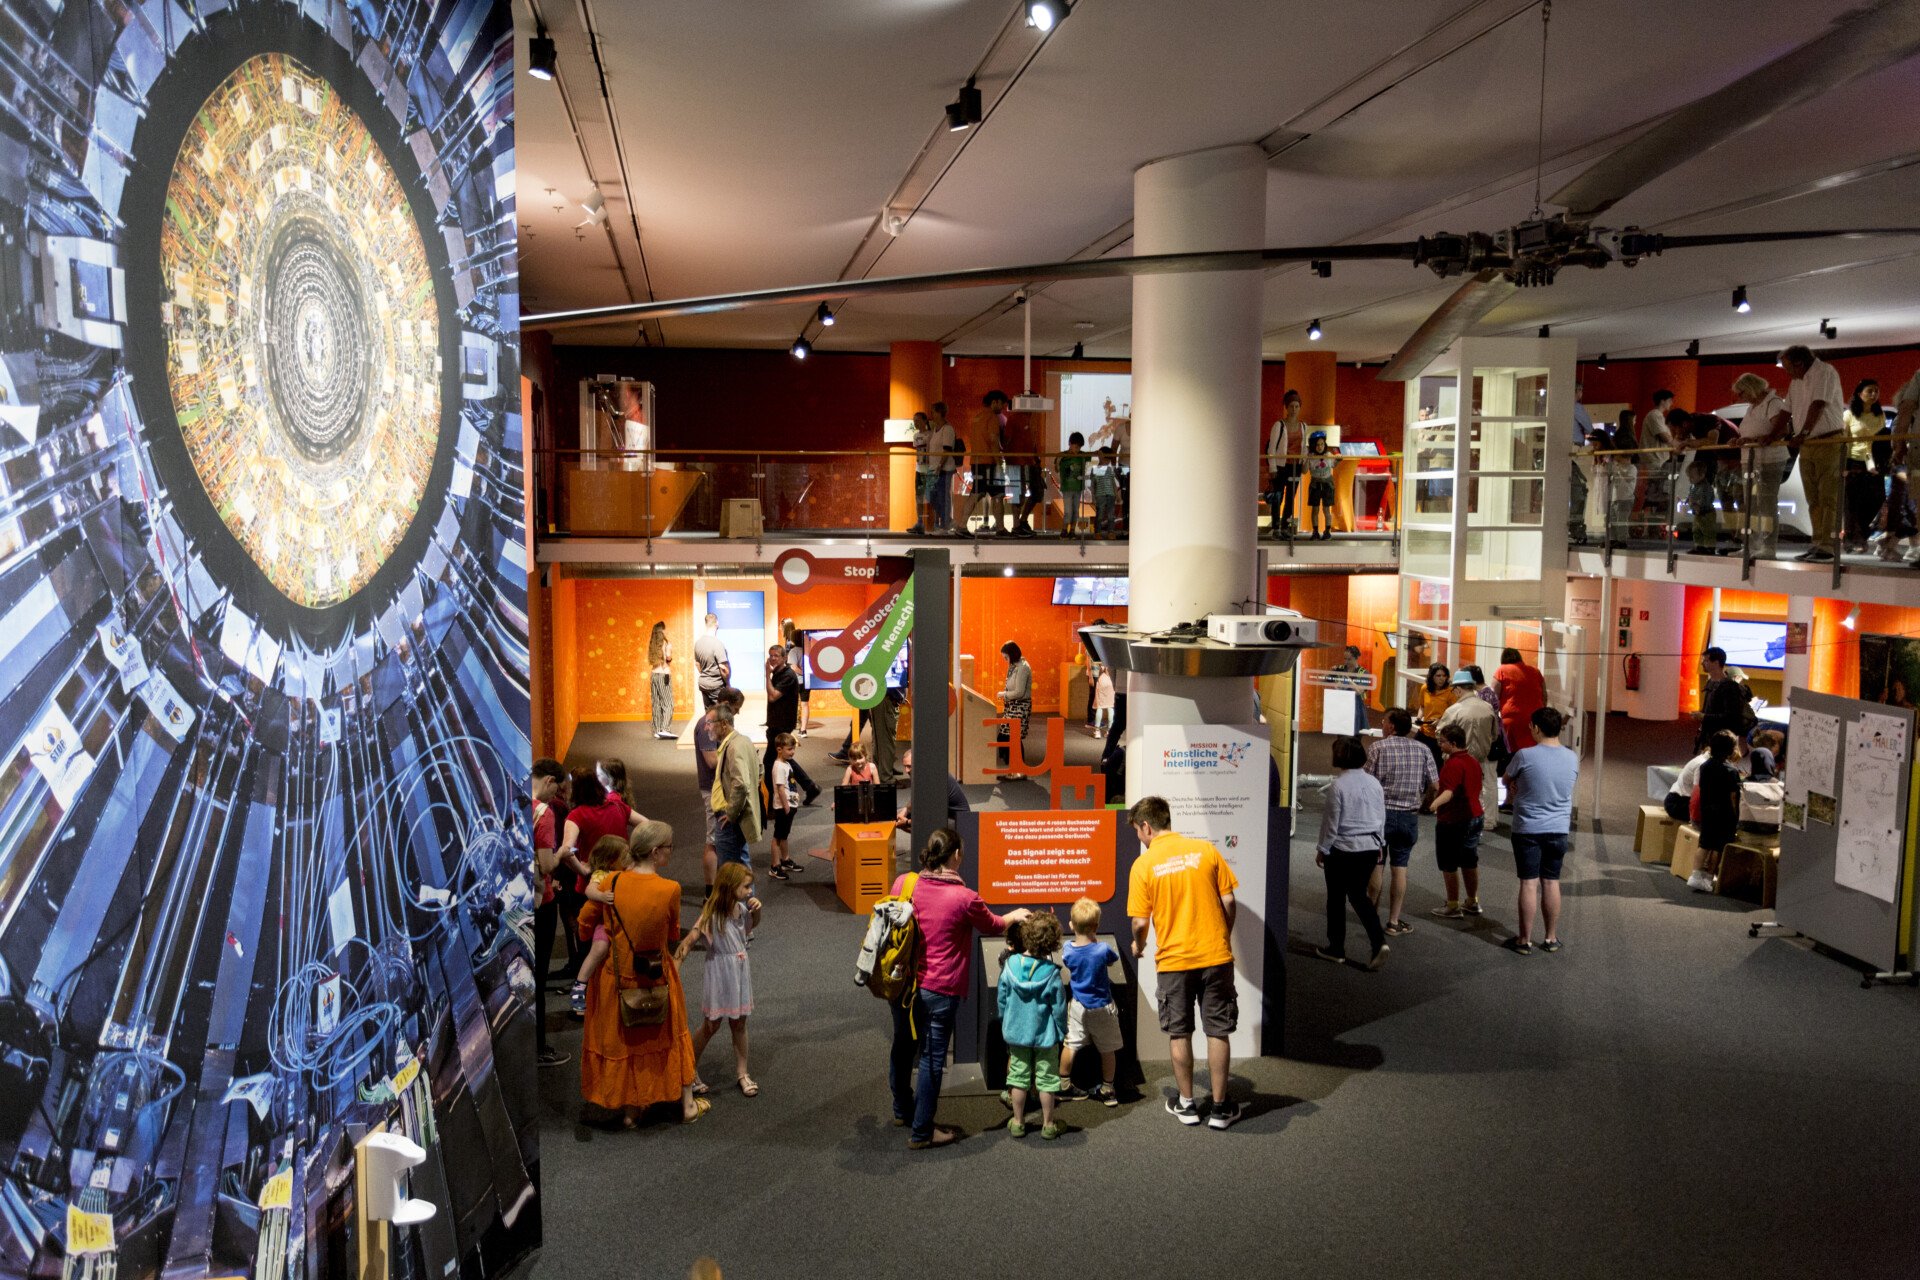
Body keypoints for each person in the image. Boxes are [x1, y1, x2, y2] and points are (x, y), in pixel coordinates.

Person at [890, 828, 1028, 1149]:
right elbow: (992, 924)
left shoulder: (904, 883)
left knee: (902, 1046)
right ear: (956, 856)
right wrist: (1013, 916)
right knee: (931, 1060)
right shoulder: (964, 898)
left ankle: (902, 1110)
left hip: (902, 983)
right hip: (940, 990)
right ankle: (922, 1132)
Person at [1125, 795, 1243, 1130]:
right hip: (1215, 955)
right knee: (1218, 1030)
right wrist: (1225, 932)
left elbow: (1138, 922)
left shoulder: (1144, 866)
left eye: (1137, 830)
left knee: (1180, 1033)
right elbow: (1229, 900)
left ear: (1147, 826)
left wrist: (1139, 944)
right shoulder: (1206, 851)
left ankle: (1188, 1104)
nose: (1139, 837)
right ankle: (1220, 1109)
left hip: (1174, 961)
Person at [576, 821, 705, 1126]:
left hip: (615, 976)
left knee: (624, 1040)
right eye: (669, 847)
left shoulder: (612, 882)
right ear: (656, 851)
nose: (671, 852)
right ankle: (673, 1102)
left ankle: (631, 1111)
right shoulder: (670, 889)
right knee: (663, 1035)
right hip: (656, 975)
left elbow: (585, 921)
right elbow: (671, 932)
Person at [676, 860, 761, 1096]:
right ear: (729, 886)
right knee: (711, 1025)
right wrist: (675, 968)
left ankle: (742, 1073)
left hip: (740, 972)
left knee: (740, 1023)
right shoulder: (712, 915)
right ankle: (688, 1070)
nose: (749, 891)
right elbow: (690, 940)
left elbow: (749, 928)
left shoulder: (741, 909)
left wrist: (758, 911)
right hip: (720, 974)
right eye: (745, 887)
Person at [1502, 706, 1578, 955]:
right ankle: (1551, 938)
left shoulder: (1525, 755)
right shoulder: (1572, 757)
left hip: (1528, 828)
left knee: (1529, 883)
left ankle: (1524, 940)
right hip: (1558, 830)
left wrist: (1516, 786)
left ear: (1536, 727)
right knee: (1551, 881)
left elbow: (1506, 779)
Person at [1314, 735, 1389, 970]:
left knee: (1335, 898)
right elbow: (1380, 817)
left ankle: (1336, 948)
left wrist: (1323, 849)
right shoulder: (1374, 783)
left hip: (1342, 849)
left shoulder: (1338, 785)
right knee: (1359, 896)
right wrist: (1380, 845)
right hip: (1369, 847)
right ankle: (1378, 942)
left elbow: (1331, 823)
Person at [1364, 708, 1436, 938]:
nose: (1383, 724)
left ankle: (1370, 917)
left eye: (1384, 721)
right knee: (1400, 868)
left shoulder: (1377, 748)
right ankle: (1394, 922)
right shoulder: (1423, 749)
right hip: (1408, 817)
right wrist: (1424, 804)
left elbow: (1366, 781)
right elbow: (1435, 784)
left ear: (1392, 726)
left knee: (1377, 863)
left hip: (1380, 816)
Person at [997, 910, 1069, 1139]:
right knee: (1047, 1079)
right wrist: (1061, 1029)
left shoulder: (1010, 967)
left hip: (1016, 1032)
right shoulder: (1051, 974)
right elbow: (1059, 1008)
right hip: (1045, 1036)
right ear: (1053, 942)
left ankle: (1018, 1122)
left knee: (1018, 1076)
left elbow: (1002, 998)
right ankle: (1048, 1125)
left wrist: (1005, 1019)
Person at [1781, 345, 1846, 562]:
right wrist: (1773, 435)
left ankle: (1829, 545)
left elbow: (1818, 404)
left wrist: (1804, 432)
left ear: (1799, 363)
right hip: (1807, 444)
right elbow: (1786, 411)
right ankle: (1818, 542)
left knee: (1828, 495)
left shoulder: (1824, 372)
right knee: (1813, 498)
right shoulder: (1795, 382)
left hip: (1828, 440)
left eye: (1788, 367)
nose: (1787, 372)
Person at [1057, 898, 1121, 1106]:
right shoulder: (1102, 949)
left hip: (1078, 1005)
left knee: (1071, 1044)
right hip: (1102, 1006)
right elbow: (1112, 960)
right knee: (1107, 1049)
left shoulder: (1067, 949)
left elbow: (1068, 961)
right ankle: (1108, 1089)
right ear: (1096, 926)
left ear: (1071, 925)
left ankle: (1064, 1084)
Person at [531, 758, 570, 1068]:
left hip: (517, 904)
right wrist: (563, 851)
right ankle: (540, 1047)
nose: (558, 794)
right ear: (548, 781)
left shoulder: (517, 802)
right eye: (557, 787)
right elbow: (546, 865)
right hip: (540, 904)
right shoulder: (544, 815)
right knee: (538, 979)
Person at [1730, 372, 1794, 558]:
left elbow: (1781, 430)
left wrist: (1756, 439)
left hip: (1769, 459)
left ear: (1751, 388)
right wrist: (1741, 440)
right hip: (1749, 459)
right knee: (1750, 504)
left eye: (1742, 393)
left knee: (1766, 503)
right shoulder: (1752, 407)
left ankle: (1768, 546)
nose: (1741, 397)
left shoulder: (1773, 403)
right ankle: (1751, 544)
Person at [569, 835, 632, 1016]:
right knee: (599, 949)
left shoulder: (626, 872)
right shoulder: (601, 874)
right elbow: (590, 890)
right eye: (624, 856)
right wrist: (602, 896)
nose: (628, 859)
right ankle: (579, 986)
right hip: (604, 924)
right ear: (611, 860)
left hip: (622, 924)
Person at [1428, 724, 1485, 919]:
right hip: (1475, 817)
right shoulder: (1473, 762)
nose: (1439, 744)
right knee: (1470, 860)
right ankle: (1472, 901)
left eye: (1442, 742)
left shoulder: (1453, 764)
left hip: (1454, 820)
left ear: (1453, 744)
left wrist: (1433, 804)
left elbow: (1448, 793)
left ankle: (1452, 905)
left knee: (1448, 863)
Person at [693, 687, 743, 886]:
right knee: (713, 841)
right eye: (736, 708)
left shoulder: (717, 723)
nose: (737, 713)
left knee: (722, 839)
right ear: (725, 703)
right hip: (713, 789)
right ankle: (711, 890)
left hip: (723, 788)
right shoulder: (707, 725)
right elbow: (712, 761)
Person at [1687, 730, 1745, 894]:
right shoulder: (1731, 771)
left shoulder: (1705, 766)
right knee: (1718, 847)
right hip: (1725, 815)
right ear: (1731, 749)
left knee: (1704, 844)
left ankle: (1695, 876)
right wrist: (1736, 818)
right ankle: (1708, 878)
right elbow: (1734, 798)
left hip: (1707, 811)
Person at [709, 703, 763, 876]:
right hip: (737, 814)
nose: (707, 727)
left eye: (711, 722)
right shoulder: (743, 740)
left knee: (729, 871)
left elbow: (740, 784)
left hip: (729, 817)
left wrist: (731, 812)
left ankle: (737, 903)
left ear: (724, 723)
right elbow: (759, 769)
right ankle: (748, 902)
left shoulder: (733, 746)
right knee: (742, 865)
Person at [1845, 379, 1888, 554]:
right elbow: (1845, 442)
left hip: (1873, 463)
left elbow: (1881, 443)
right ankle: (1852, 540)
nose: (1873, 394)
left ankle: (1863, 536)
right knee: (1852, 504)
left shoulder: (1880, 415)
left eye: (1876, 391)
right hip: (1854, 461)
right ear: (1859, 393)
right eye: (1870, 391)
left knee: (1875, 500)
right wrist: (1844, 466)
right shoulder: (1849, 415)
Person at [1881, 367, 1919, 564]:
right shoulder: (1903, 421)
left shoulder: (1901, 420)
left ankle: (1907, 546)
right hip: (1904, 470)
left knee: (1910, 511)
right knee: (1909, 511)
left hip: (1905, 468)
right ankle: (1892, 545)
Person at [895, 747, 971, 831]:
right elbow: (915, 799)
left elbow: (932, 818)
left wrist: (907, 822)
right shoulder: (920, 774)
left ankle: (940, 842)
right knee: (900, 817)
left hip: (962, 823)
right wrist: (904, 811)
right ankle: (929, 840)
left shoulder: (934, 778)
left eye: (909, 766)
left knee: (919, 823)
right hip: (945, 815)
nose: (906, 770)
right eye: (905, 766)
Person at [961, 391, 1006, 536]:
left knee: (976, 492)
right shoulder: (992, 418)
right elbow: (993, 441)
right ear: (994, 402)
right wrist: (999, 463)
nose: (1003, 407)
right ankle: (1000, 528)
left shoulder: (977, 418)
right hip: (990, 462)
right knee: (998, 495)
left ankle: (962, 526)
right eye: (1001, 403)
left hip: (976, 462)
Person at [999, 393, 1042, 538]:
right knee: (1018, 494)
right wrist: (1007, 458)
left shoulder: (1032, 419)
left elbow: (1032, 442)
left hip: (1030, 461)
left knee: (1037, 492)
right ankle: (1017, 525)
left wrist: (1036, 459)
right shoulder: (1014, 418)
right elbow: (1007, 440)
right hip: (1016, 461)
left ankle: (1022, 521)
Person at [1636, 389, 1677, 535]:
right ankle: (1652, 527)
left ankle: (1653, 527)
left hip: (1658, 459)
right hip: (1655, 460)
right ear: (1663, 400)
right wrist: (1676, 444)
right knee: (1656, 494)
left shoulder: (1657, 416)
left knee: (1656, 493)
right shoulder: (1655, 415)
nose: (1671, 403)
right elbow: (1664, 437)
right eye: (1670, 400)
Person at [1264, 389, 1304, 539]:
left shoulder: (1303, 427)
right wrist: (1272, 467)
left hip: (1295, 466)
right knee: (1278, 496)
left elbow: (1303, 447)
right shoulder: (1279, 425)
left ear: (1300, 407)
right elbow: (1271, 448)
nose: (1294, 409)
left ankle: (1285, 526)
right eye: (1291, 406)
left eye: (1296, 406)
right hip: (1281, 466)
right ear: (1286, 407)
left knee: (1290, 498)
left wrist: (1304, 463)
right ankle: (1276, 528)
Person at [1495, 647, 1547, 753]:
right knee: (1532, 754)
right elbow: (1544, 696)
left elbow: (1494, 697)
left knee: (1511, 756)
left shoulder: (1502, 670)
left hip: (1512, 721)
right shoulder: (1536, 672)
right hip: (1535, 721)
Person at [767, 732, 802, 881]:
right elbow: (780, 788)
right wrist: (786, 806)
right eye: (789, 749)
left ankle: (785, 859)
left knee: (784, 835)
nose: (792, 752)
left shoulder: (786, 764)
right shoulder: (779, 766)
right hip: (783, 807)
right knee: (777, 837)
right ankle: (775, 866)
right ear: (779, 749)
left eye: (793, 749)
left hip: (789, 804)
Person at [1697, 646, 1749, 747]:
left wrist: (1704, 716)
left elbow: (1730, 716)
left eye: (1706, 660)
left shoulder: (1729, 687)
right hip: (1709, 737)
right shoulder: (1711, 682)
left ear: (1716, 663)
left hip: (1721, 739)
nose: (1702, 663)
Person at [763, 644, 800, 779]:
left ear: (784, 658)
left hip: (782, 723)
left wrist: (767, 675)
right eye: (770, 655)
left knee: (769, 760)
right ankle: (810, 786)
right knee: (781, 756)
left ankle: (768, 792)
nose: (772, 659)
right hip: (776, 722)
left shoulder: (788, 675)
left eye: (776, 656)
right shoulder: (778, 673)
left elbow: (772, 697)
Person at [1414, 662, 1461, 767]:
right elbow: (1422, 706)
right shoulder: (1424, 688)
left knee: (1436, 764)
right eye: (1438, 676)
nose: (1442, 679)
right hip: (1425, 730)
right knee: (1416, 758)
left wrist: (1440, 721)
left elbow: (1454, 713)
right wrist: (1419, 717)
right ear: (1432, 676)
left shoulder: (1450, 691)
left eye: (1444, 676)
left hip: (1440, 734)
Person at [998, 641, 1033, 779]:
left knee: (1014, 738)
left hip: (1020, 707)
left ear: (1012, 655)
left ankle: (1019, 771)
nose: (1005, 660)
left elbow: (1019, 692)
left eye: (1006, 657)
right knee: (1005, 737)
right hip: (1012, 706)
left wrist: (1004, 694)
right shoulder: (1014, 666)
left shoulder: (1023, 667)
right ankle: (1013, 769)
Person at [928, 401, 958, 532]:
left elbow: (947, 450)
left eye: (933, 412)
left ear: (939, 413)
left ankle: (945, 523)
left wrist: (940, 465)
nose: (931, 414)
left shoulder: (948, 429)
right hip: (933, 468)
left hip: (944, 469)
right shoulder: (935, 429)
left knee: (943, 496)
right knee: (932, 496)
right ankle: (947, 520)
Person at [907, 410, 938, 535]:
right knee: (919, 496)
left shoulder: (931, 435)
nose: (916, 423)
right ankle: (919, 522)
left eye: (918, 420)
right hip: (919, 469)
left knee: (931, 497)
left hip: (930, 470)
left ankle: (934, 523)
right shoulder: (915, 436)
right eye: (914, 421)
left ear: (925, 421)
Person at [1303, 430, 1337, 540]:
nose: (1320, 447)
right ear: (1313, 445)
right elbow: (1304, 471)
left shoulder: (1328, 455)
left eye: (1322, 444)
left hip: (1327, 484)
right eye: (1317, 445)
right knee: (1315, 509)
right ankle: (1315, 531)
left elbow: (1334, 465)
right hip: (1315, 485)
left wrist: (1338, 459)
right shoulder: (1311, 457)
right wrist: (1306, 459)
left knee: (1326, 509)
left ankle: (1327, 531)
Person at [1570, 380, 1592, 541]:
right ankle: (1575, 526)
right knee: (1579, 490)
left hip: (1564, 451)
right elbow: (1589, 427)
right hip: (1574, 451)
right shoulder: (1576, 408)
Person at [693, 613, 730, 709]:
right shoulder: (717, 644)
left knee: (709, 714)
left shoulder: (698, 643)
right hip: (716, 685)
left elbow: (697, 664)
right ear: (717, 623)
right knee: (721, 714)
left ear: (706, 624)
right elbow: (724, 668)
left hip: (703, 683)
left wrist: (706, 674)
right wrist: (728, 684)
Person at [1057, 431, 1089, 537]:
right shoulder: (1063, 456)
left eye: (1079, 448)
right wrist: (1059, 459)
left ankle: (1072, 530)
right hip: (1067, 488)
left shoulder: (1082, 455)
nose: (1077, 450)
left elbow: (1092, 454)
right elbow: (1056, 468)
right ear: (1070, 444)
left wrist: (1099, 452)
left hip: (1078, 487)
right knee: (1068, 511)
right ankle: (1064, 529)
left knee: (1076, 510)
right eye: (1075, 447)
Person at [649, 621, 676, 739]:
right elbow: (668, 659)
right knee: (668, 703)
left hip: (654, 675)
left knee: (656, 703)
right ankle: (665, 729)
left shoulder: (652, 644)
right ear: (662, 631)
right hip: (663, 675)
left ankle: (657, 730)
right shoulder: (665, 644)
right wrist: (669, 650)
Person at [1090, 444, 1119, 536]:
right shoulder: (1095, 469)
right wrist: (1093, 497)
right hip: (1100, 495)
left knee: (1111, 515)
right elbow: (1093, 484)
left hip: (1111, 495)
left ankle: (1111, 531)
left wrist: (1116, 495)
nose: (1107, 461)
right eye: (1106, 459)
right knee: (1100, 514)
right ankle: (1097, 531)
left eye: (1108, 459)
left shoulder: (1110, 469)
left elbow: (1113, 483)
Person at [1091, 661, 1115, 735]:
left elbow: (1098, 667)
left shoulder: (1101, 652)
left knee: (1100, 706)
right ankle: (1110, 730)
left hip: (1102, 679)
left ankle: (1097, 730)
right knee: (1110, 706)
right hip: (1111, 681)